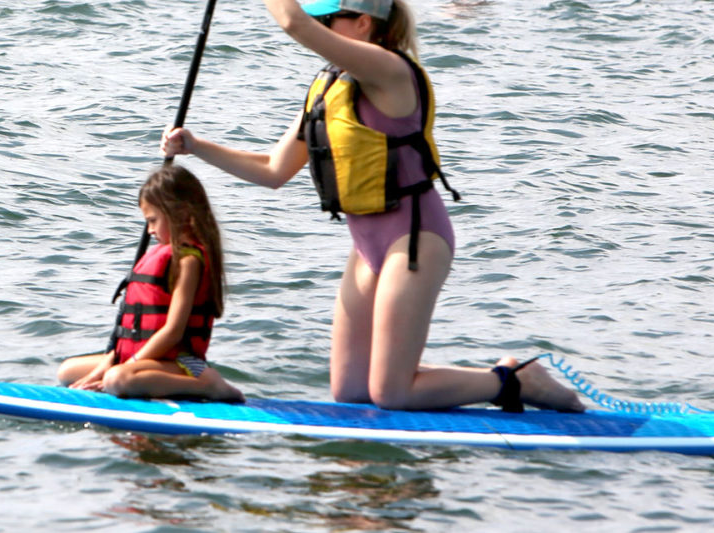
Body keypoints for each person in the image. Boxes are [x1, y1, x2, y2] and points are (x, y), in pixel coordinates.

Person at [160, 0, 583, 412]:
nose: (321, 27)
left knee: (391, 395)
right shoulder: (331, 85)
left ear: (364, 23)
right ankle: (477, 376)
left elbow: (293, 23)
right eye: (319, 19)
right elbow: (273, 170)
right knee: (352, 389)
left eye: (330, 18)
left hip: (413, 238)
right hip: (366, 245)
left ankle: (515, 381)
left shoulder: (390, 70)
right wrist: (196, 146)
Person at [57, 165, 245, 402]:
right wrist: (107, 364)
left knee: (116, 379)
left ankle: (208, 385)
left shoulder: (189, 261)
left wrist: (130, 364)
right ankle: (129, 375)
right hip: (148, 357)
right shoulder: (166, 255)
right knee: (67, 371)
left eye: (153, 220)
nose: (150, 230)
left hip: (182, 362)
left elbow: (173, 332)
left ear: (181, 213)